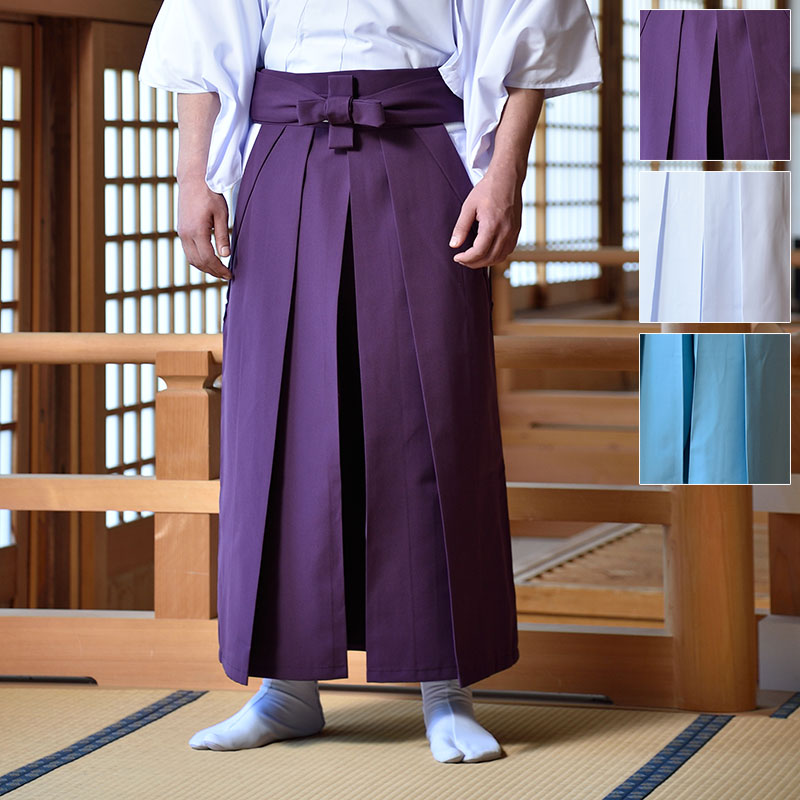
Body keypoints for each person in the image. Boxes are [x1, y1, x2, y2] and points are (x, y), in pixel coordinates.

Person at [139, 0, 601, 764]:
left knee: (433, 413)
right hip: (282, 152)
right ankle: (286, 687)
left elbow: (532, 27)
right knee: (278, 420)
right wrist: (192, 175)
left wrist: (505, 172)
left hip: (425, 149)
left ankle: (446, 687)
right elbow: (203, 33)